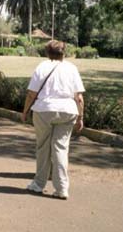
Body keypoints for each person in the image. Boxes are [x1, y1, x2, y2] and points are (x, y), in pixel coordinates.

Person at [21, 40, 85, 200]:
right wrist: (80, 116)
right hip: (68, 110)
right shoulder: (72, 68)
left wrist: (25, 111)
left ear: (48, 53)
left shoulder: (42, 67)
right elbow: (79, 97)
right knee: (61, 148)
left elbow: (31, 94)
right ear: (64, 53)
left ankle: (38, 183)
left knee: (43, 147)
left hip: (44, 110)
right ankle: (62, 188)